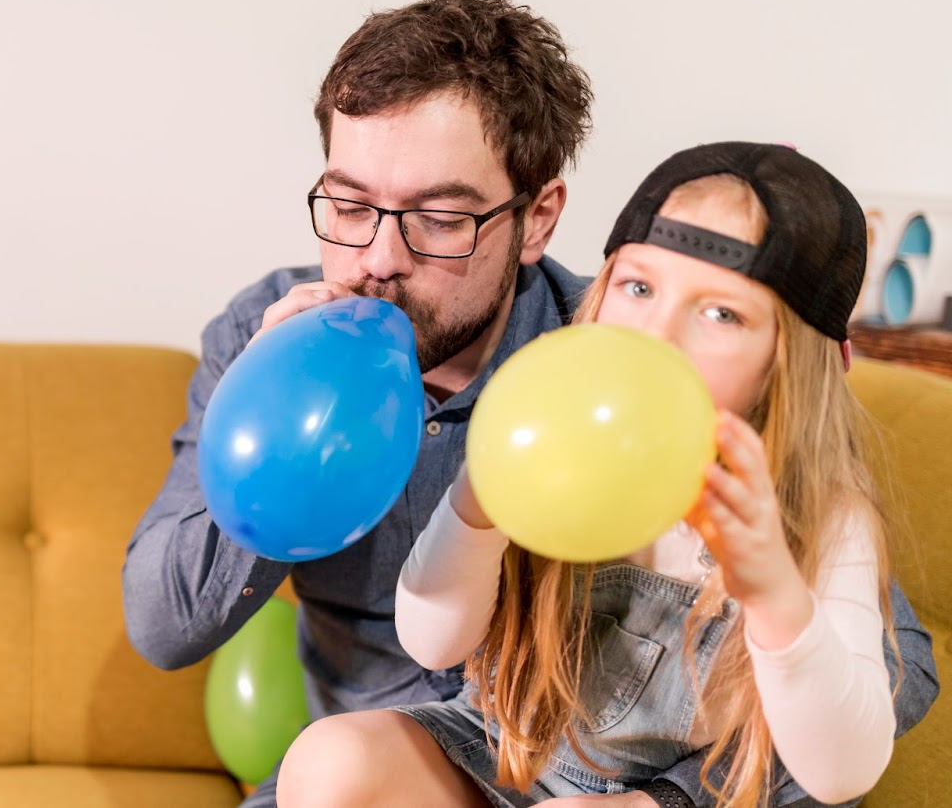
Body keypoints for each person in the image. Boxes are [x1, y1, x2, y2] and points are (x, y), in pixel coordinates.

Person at [121, 0, 939, 808]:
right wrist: (283, 454)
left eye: (439, 217)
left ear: (537, 217)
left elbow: (892, 671)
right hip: (397, 770)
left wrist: (675, 800)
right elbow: (165, 628)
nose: (376, 258)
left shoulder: (623, 372)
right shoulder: (269, 339)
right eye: (349, 205)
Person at [276, 141, 918, 807]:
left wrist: (775, 593)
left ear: (790, 365)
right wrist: (478, 504)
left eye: (721, 313)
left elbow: (843, 771)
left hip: (670, 799)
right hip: (503, 757)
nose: (657, 335)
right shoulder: (556, 432)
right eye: (638, 288)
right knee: (331, 760)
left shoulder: (823, 517)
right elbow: (433, 645)